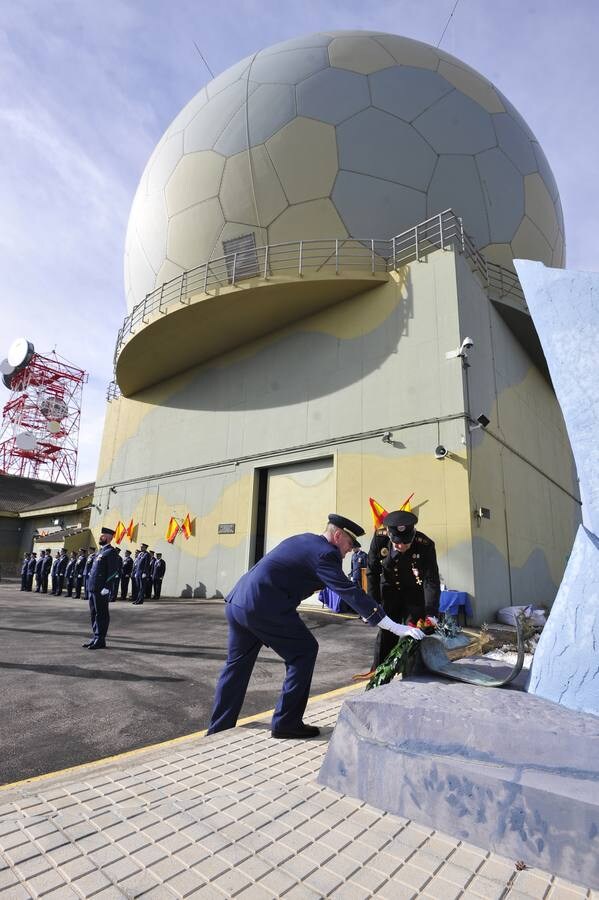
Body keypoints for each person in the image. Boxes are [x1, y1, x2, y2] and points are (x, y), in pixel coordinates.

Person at [207, 514, 425, 740]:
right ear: (338, 535)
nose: (350, 550)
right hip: (265, 607)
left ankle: (218, 729)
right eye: (349, 544)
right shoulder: (325, 554)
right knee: (304, 651)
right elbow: (349, 591)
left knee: (236, 667)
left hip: (239, 603)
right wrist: (391, 625)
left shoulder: (306, 540)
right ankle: (286, 723)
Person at [367, 510, 440, 672]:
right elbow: (372, 572)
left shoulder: (425, 544)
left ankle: (413, 673)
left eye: (406, 543)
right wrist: (372, 606)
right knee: (386, 633)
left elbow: (431, 579)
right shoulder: (379, 539)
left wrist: (431, 612)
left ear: (413, 535)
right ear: (390, 536)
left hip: (414, 593)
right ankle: (379, 673)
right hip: (389, 592)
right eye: (397, 543)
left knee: (414, 632)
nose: (401, 547)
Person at [82, 527, 120, 649]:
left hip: (101, 589)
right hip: (93, 587)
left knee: (101, 614)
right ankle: (96, 637)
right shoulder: (100, 552)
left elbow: (113, 572)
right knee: (94, 613)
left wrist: (107, 587)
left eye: (103, 535)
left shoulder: (111, 552)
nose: (100, 537)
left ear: (109, 537)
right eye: (101, 535)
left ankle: (100, 638)